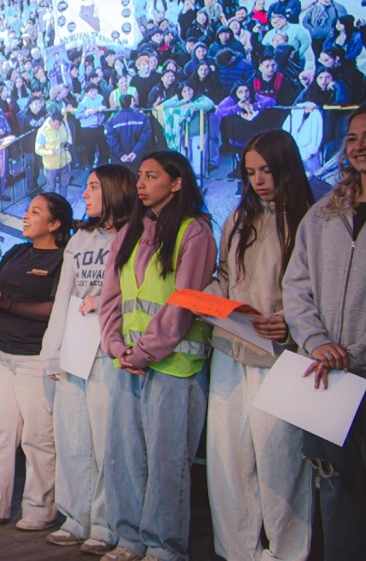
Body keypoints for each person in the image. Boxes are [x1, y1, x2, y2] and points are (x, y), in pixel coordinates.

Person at [98, 151, 217, 561]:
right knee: (125, 455)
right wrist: (115, 346)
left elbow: (183, 302)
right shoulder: (130, 231)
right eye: (140, 176)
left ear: (177, 181)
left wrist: (145, 351)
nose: (141, 184)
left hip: (174, 366)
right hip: (128, 362)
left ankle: (164, 545)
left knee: (168, 461)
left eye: (152, 176)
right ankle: (129, 536)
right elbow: (111, 298)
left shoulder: (194, 232)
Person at [204, 130, 315, 561]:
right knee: (228, 460)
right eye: (250, 172)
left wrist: (289, 321)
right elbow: (227, 278)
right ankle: (237, 551)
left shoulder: (308, 217)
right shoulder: (237, 218)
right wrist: (206, 298)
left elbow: (313, 292)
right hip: (231, 347)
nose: (258, 180)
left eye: (266, 170)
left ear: (286, 166)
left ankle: (288, 553)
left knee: (281, 464)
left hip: (282, 357)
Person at [283, 109, 366, 560]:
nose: (359, 145)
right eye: (352, 137)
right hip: (327, 377)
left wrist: (352, 352)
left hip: (357, 367)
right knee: (335, 493)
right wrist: (318, 343)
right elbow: (296, 288)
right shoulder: (323, 213)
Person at [40, 165, 136, 555]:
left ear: (114, 190)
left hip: (110, 346)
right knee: (72, 435)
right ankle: (75, 515)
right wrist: (53, 349)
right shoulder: (80, 239)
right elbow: (65, 295)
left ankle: (106, 522)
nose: (85, 194)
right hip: (76, 344)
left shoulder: (134, 235)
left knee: (105, 439)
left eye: (94, 187)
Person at [0, 193, 73, 531]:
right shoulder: (16, 251)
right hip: (3, 354)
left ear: (55, 224)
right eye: (27, 210)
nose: (26, 216)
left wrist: (8, 304)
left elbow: (56, 308)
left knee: (38, 438)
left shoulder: (62, 259)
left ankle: (40, 510)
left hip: (36, 359)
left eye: (35, 212)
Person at [36, 106, 73, 199]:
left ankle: (63, 203)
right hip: (51, 165)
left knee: (64, 185)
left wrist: (68, 144)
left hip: (64, 161)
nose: (57, 127)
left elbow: (69, 135)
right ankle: (51, 206)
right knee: (51, 187)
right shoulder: (42, 132)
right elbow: (37, 150)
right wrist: (52, 152)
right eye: (56, 125)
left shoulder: (63, 123)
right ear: (51, 120)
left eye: (59, 125)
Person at [105, 96, 152, 169]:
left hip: (118, 160)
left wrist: (121, 155)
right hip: (138, 158)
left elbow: (111, 140)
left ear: (119, 104)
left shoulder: (111, 121)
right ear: (131, 103)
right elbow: (145, 137)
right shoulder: (142, 117)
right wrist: (135, 152)